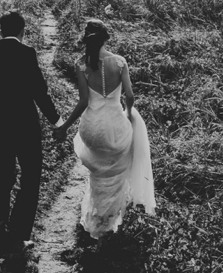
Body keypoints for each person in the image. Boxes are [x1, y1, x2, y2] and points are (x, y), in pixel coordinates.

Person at [53, 19, 156, 237]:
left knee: (98, 171)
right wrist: (128, 115)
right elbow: (130, 95)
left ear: (85, 38)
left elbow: (82, 102)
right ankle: (110, 218)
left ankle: (97, 215)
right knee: (117, 169)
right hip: (116, 126)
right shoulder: (119, 62)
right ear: (106, 38)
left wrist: (64, 127)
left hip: (92, 129)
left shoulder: (81, 63)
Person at [0, 10, 61, 252]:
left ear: (1, 30)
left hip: (2, 124)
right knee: (31, 177)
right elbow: (39, 91)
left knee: (4, 177)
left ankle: (0, 224)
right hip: (26, 125)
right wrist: (56, 121)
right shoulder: (27, 54)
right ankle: (20, 233)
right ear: (22, 30)